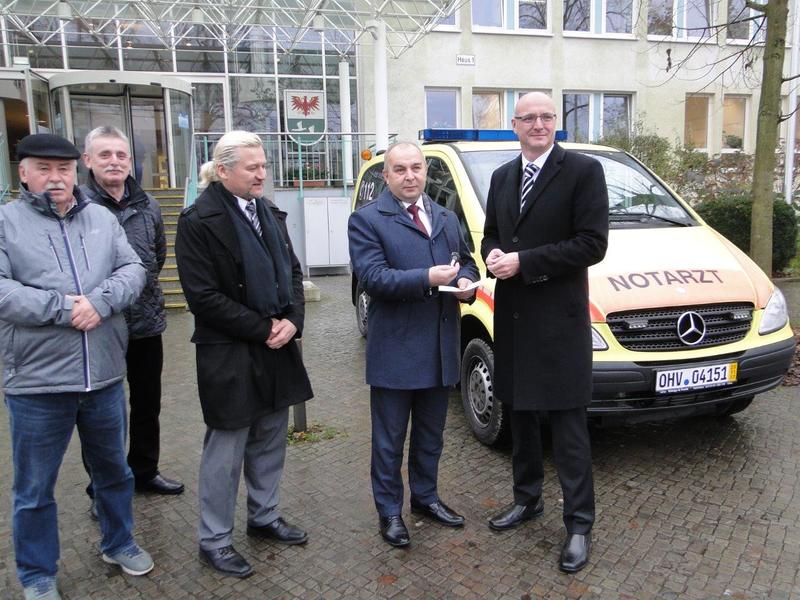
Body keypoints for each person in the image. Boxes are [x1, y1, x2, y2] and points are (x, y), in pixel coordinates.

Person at [0, 133, 151, 600]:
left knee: (114, 473)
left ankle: (119, 542)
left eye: (63, 169)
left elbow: (134, 270)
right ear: (23, 172)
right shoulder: (6, 222)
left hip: (103, 376)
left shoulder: (101, 219)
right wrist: (65, 308)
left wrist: (100, 302)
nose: (55, 177)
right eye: (43, 168)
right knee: (34, 489)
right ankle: (37, 573)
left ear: (75, 171)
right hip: (37, 383)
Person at [174, 131, 313, 579]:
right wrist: (264, 327)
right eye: (252, 167)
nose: (262, 174)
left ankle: (263, 516)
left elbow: (293, 272)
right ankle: (214, 540)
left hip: (276, 346)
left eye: (264, 165)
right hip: (230, 351)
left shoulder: (269, 212)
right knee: (226, 450)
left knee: (271, 437)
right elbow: (202, 297)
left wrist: (292, 319)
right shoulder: (198, 221)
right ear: (223, 170)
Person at [481, 92, 609, 573]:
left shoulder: (582, 171)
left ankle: (579, 524)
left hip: (559, 322)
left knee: (569, 428)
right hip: (514, 317)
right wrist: (493, 255)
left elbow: (592, 244)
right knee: (521, 418)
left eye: (546, 116)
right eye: (529, 118)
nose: (539, 124)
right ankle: (527, 499)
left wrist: (524, 262)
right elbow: (492, 233)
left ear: (556, 122)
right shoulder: (502, 176)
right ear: (514, 125)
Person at [348, 142, 479, 548]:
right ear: (386, 176)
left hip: (439, 348)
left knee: (430, 436)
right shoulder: (367, 220)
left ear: (426, 172)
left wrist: (465, 283)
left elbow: (467, 261)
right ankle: (389, 511)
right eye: (400, 169)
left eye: (416, 168)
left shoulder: (446, 216)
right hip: (396, 351)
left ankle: (425, 498)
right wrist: (428, 278)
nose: (410, 176)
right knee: (389, 442)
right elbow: (373, 278)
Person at [80, 126, 184, 501]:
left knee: (146, 403)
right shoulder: (78, 206)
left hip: (145, 321)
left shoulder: (148, 205)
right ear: (87, 160)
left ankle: (144, 470)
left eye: (121, 155)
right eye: (105, 155)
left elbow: (157, 255)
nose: (114, 162)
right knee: (99, 412)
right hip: (98, 325)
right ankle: (103, 487)